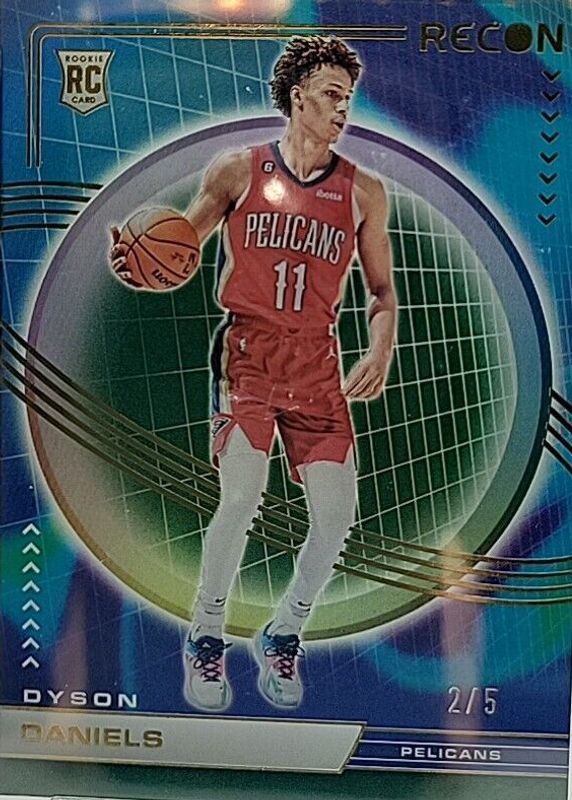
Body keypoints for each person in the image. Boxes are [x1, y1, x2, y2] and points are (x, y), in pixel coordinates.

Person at [111, 35, 397, 712]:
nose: (343, 109)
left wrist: (381, 349)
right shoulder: (238, 169)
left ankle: (284, 632)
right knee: (241, 496)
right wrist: (138, 265)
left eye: (349, 98)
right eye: (331, 95)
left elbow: (382, 292)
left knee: (337, 517)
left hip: (317, 364)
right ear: (298, 98)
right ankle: (206, 637)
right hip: (248, 356)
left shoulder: (365, 192)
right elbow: (179, 247)